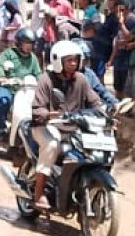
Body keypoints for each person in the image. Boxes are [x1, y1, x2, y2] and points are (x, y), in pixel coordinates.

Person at [29, 39, 100, 211]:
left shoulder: (81, 79)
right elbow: (37, 108)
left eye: (76, 59)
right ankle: (39, 193)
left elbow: (94, 100)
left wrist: (106, 111)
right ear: (58, 61)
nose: (74, 63)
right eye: (69, 60)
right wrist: (47, 114)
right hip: (45, 126)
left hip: (72, 128)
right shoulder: (46, 80)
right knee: (52, 145)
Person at [0, 28, 42, 132]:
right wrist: (2, 78)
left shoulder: (33, 58)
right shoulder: (8, 54)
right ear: (19, 43)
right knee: (4, 101)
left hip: (25, 90)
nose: (29, 46)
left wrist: (42, 83)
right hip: (8, 88)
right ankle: (1, 128)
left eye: (31, 43)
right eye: (26, 43)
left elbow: (38, 74)